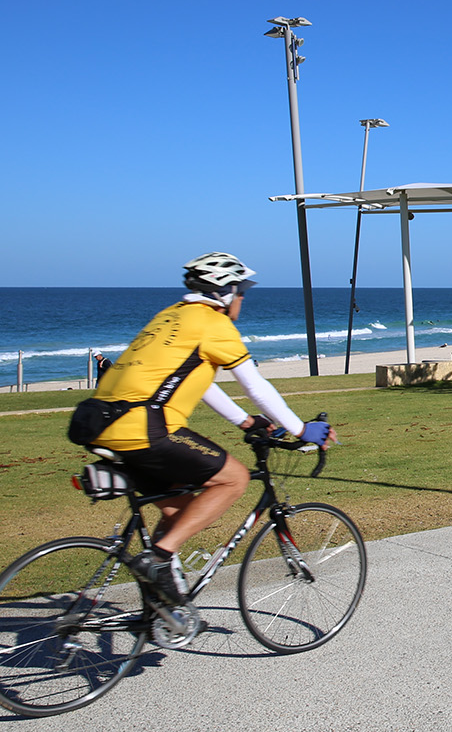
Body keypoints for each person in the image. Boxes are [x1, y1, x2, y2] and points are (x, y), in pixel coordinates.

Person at [86, 252, 335, 605]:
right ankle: (157, 561)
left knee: (184, 509)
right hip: (147, 428)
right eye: (241, 290)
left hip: (102, 423)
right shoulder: (213, 324)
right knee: (233, 479)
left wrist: (247, 422)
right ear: (225, 291)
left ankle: (162, 608)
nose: (243, 298)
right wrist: (300, 429)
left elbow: (201, 383)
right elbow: (256, 386)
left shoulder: (170, 316)